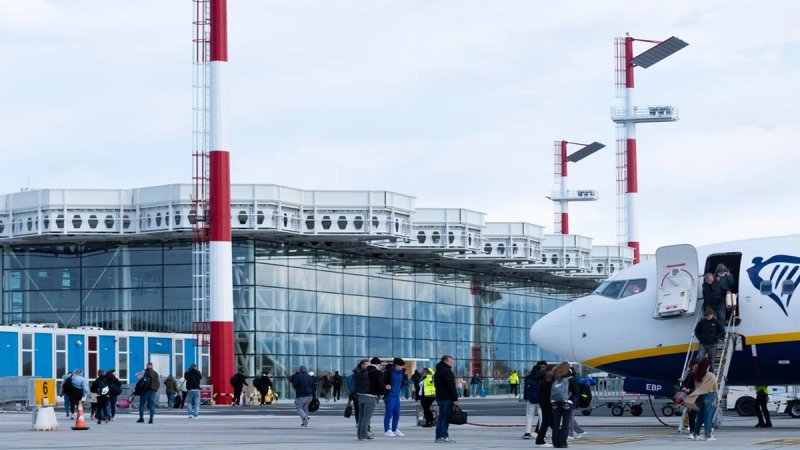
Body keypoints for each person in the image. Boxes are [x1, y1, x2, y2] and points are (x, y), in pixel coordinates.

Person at [685, 359, 718, 441]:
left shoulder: (697, 375)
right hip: (709, 396)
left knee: (699, 417)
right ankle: (708, 435)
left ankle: (695, 433)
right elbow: (715, 387)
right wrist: (717, 398)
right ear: (708, 366)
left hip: (699, 397)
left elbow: (697, 388)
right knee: (708, 417)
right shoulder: (711, 375)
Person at [355, 357, 385, 440]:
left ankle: (360, 434)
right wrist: (382, 394)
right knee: (367, 416)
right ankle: (364, 434)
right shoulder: (377, 372)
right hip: (371, 397)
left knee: (361, 416)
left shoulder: (362, 371)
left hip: (361, 396)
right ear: (377, 364)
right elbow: (380, 385)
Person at [434, 355, 458, 444]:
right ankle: (444, 436)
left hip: (440, 397)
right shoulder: (447, 372)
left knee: (441, 417)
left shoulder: (438, 371)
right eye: (450, 361)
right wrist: (455, 398)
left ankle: (438, 436)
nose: (452, 363)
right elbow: (450, 386)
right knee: (445, 418)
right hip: (447, 397)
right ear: (445, 361)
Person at [550, 362, 575, 449]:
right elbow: (576, 391)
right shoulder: (570, 378)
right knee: (565, 424)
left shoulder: (554, 377)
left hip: (555, 403)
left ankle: (555, 443)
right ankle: (563, 443)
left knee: (556, 423)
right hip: (567, 402)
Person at [522, 360, 547, 440]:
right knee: (542, 417)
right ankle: (541, 433)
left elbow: (525, 388)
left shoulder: (529, 376)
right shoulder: (543, 376)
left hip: (531, 399)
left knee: (529, 416)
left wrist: (526, 397)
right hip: (541, 400)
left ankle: (527, 433)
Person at [383, 357, 406, 437]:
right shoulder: (388, 372)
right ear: (396, 365)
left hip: (396, 396)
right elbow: (382, 381)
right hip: (389, 395)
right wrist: (386, 386)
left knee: (397, 413)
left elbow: (401, 382)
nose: (401, 367)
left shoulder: (401, 372)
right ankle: (386, 430)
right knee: (389, 413)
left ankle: (394, 429)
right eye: (400, 366)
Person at [534, 364, 555, 447]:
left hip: (542, 400)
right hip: (547, 401)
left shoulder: (539, 375)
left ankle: (560, 435)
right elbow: (548, 390)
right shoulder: (547, 377)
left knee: (549, 419)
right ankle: (540, 440)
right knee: (547, 420)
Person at [680, 358, 701, 432]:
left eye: (697, 366)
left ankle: (696, 430)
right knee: (691, 414)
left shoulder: (700, 375)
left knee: (697, 414)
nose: (696, 368)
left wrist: (689, 390)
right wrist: (684, 388)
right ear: (692, 366)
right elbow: (684, 384)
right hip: (690, 397)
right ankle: (692, 430)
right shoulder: (690, 374)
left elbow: (700, 387)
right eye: (695, 366)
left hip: (697, 396)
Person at [567, 367, 587, 440]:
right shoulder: (571, 379)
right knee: (570, 417)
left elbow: (576, 392)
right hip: (571, 401)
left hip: (571, 401)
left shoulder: (571, 380)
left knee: (569, 417)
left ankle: (570, 434)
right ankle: (580, 431)